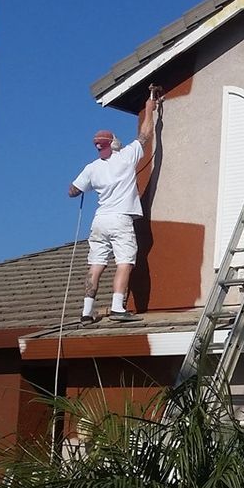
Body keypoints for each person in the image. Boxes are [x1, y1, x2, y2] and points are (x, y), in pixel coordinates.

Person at [68, 88, 161, 324]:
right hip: (120, 219)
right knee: (125, 261)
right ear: (114, 143)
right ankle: (117, 307)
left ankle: (86, 312)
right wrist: (150, 110)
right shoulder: (125, 156)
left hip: (100, 221)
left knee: (96, 265)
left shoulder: (92, 168)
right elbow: (145, 135)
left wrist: (81, 188)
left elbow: (72, 191)